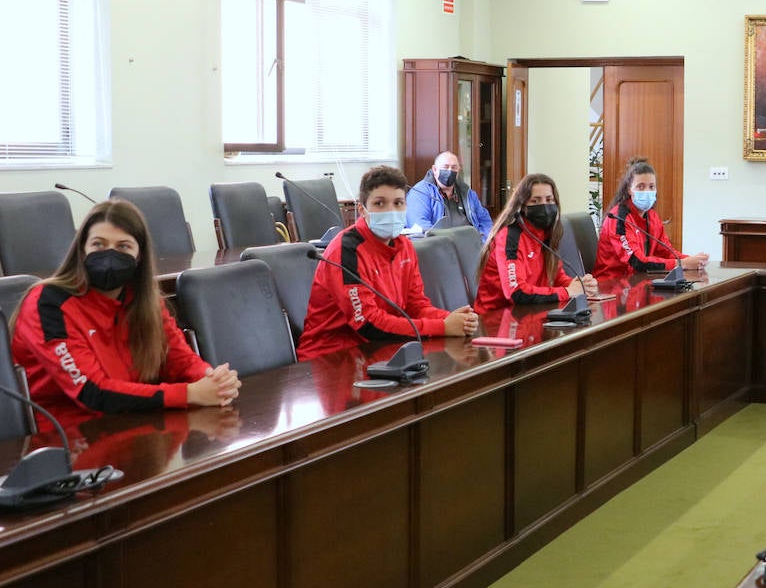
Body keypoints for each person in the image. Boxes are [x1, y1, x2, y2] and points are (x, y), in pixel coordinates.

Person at [10, 200, 241, 432]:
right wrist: (190, 393)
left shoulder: (144, 300)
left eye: (123, 247)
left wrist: (213, 380)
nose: (109, 254)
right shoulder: (49, 303)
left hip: (132, 419)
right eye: (98, 244)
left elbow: (178, 358)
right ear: (82, 250)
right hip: (64, 435)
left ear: (139, 256)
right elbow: (92, 393)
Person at [297, 165, 478, 359]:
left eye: (398, 203)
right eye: (380, 203)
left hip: (379, 349)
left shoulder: (405, 247)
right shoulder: (346, 250)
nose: (391, 210)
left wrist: (453, 320)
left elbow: (415, 306)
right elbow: (368, 324)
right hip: (330, 357)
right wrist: (442, 327)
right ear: (362, 210)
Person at [474, 173, 598, 314]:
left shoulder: (546, 233)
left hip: (531, 312)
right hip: (497, 318)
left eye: (549, 200)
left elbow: (556, 276)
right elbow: (517, 293)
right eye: (535, 201)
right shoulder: (510, 237)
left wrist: (578, 285)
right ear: (522, 206)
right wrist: (567, 291)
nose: (544, 206)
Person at [594, 158, 709, 279]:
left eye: (651, 187)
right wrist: (682, 264)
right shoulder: (618, 218)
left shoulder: (652, 216)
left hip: (639, 280)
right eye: (640, 187)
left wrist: (693, 260)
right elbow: (638, 262)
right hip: (612, 285)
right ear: (629, 190)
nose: (647, 191)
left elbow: (666, 252)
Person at [405, 151, 493, 239]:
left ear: (459, 170)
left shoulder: (468, 193)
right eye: (445, 167)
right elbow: (421, 228)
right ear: (434, 169)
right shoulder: (419, 193)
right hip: (439, 248)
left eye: (454, 167)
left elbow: (484, 221)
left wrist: (483, 244)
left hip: (472, 247)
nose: (450, 171)